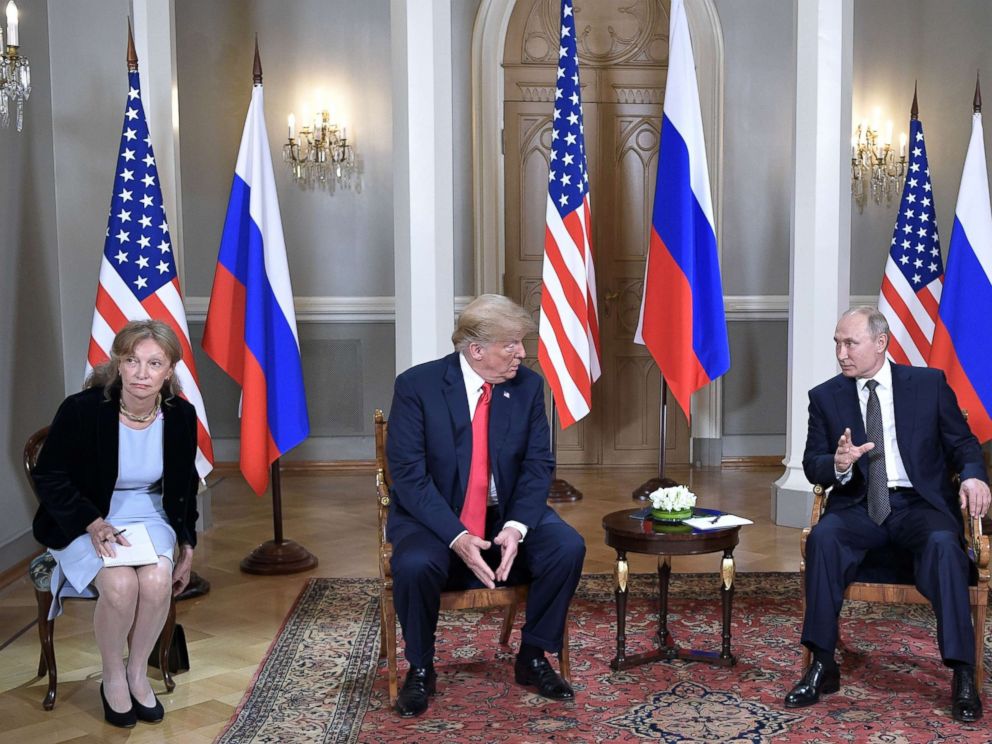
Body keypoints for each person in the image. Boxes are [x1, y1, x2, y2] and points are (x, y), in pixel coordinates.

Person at [785, 306, 990, 722]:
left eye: (850, 343)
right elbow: (812, 464)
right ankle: (822, 663)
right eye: (837, 344)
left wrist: (972, 477)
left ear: (880, 343)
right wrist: (839, 463)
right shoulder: (825, 396)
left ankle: (962, 672)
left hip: (919, 505)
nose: (841, 353)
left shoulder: (928, 385)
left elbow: (963, 444)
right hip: (860, 504)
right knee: (823, 538)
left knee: (944, 546)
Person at [385, 294, 586, 718]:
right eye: (511, 344)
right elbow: (408, 477)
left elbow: (537, 465)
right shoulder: (417, 387)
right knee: (416, 564)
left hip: (504, 513)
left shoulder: (527, 387)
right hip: (436, 515)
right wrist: (456, 536)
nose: (522, 353)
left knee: (567, 547)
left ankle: (532, 656)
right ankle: (421, 668)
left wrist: (515, 527)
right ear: (477, 350)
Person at [32, 320, 200, 729]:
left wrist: (188, 547)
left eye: (154, 363)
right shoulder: (82, 409)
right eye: (132, 361)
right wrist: (91, 521)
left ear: (170, 370)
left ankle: (137, 672)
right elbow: (49, 475)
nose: (142, 373)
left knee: (156, 582)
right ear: (119, 365)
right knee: (121, 585)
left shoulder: (181, 416)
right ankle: (112, 677)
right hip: (86, 517)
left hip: (150, 514)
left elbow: (183, 488)